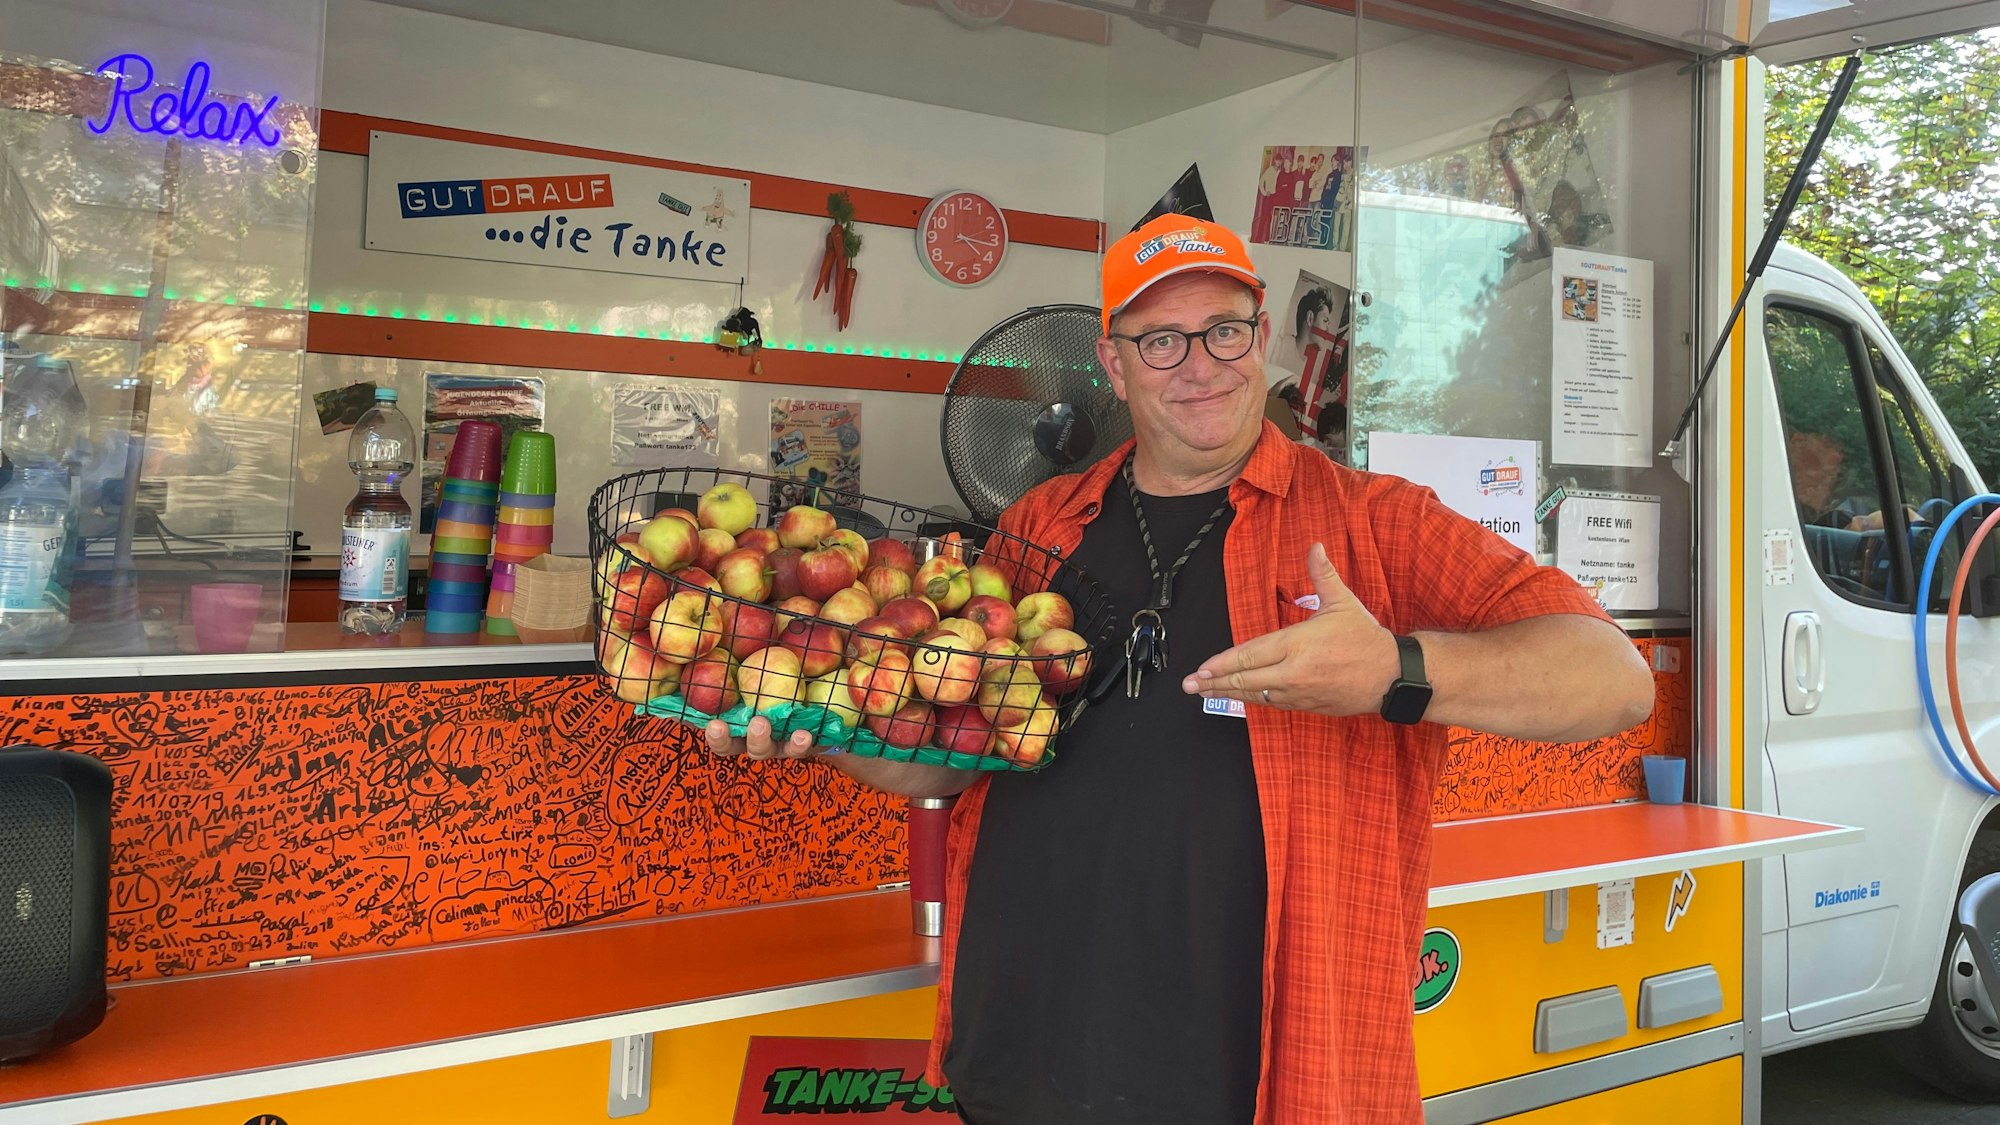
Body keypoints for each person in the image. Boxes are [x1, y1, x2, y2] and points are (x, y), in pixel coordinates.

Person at [705, 215, 1655, 1123]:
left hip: (1254, 1079)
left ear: (1263, 337)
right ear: (1112, 363)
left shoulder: (1377, 525)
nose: (1201, 365)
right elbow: (959, 759)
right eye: (1162, 340)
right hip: (1021, 1053)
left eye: (1225, 330)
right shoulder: (1041, 524)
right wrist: (823, 732)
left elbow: (1614, 678)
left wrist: (1395, 670)